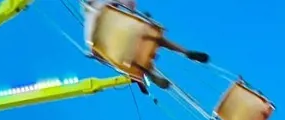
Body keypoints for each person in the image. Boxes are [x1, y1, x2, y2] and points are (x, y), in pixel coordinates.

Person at [81, 0, 209, 90]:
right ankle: (185, 52)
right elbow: (129, 5)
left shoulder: (88, 30)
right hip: (136, 34)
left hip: (122, 51)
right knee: (156, 39)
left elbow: (97, 53)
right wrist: (144, 17)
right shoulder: (107, 3)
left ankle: (149, 72)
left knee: (132, 61)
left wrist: (96, 56)